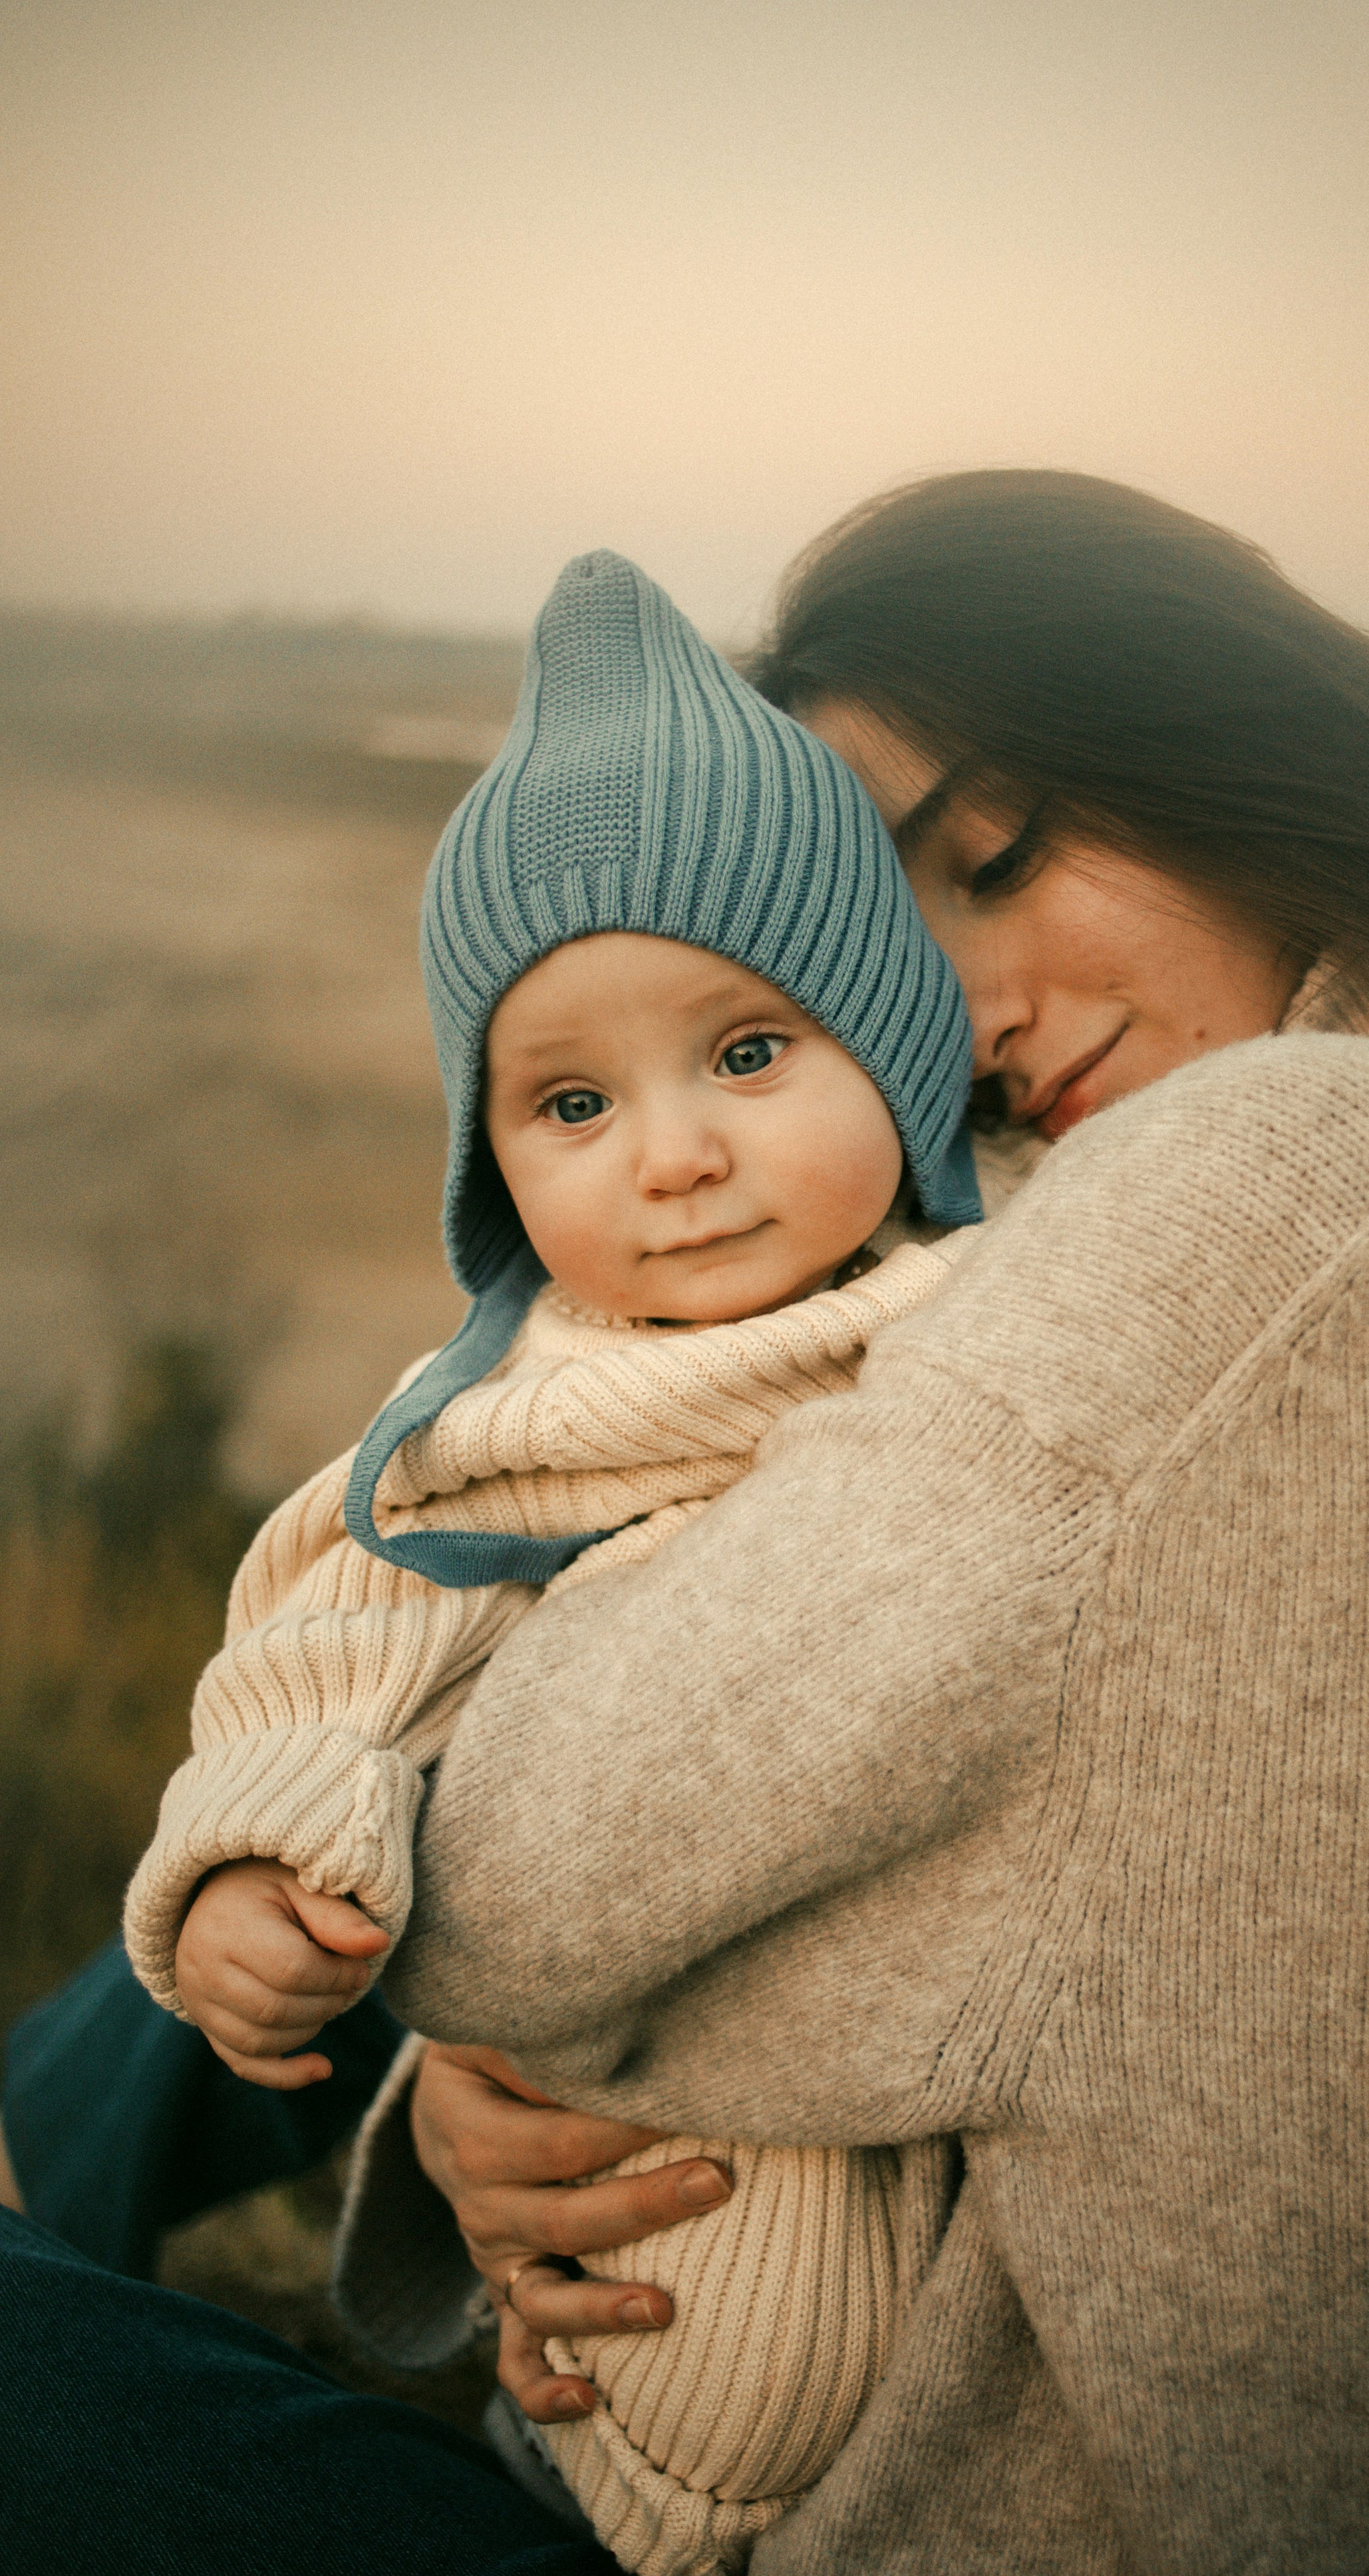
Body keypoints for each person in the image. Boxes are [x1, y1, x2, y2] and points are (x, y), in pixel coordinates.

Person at [6, 468, 1369, 2575]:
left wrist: (458, 2062)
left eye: (994, 859)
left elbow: (537, 1872)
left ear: (1233, 730)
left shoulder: (1297, 1179)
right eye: (894, 960)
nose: (967, 1016)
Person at [118, 547, 983, 2573]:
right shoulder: (512, 1420)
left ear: (898, 1049)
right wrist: (264, 1858)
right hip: (609, 2336)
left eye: (750, 1055)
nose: (671, 1156)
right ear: (491, 1163)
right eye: (573, 1102)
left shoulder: (1002, 1326)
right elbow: (337, 1638)